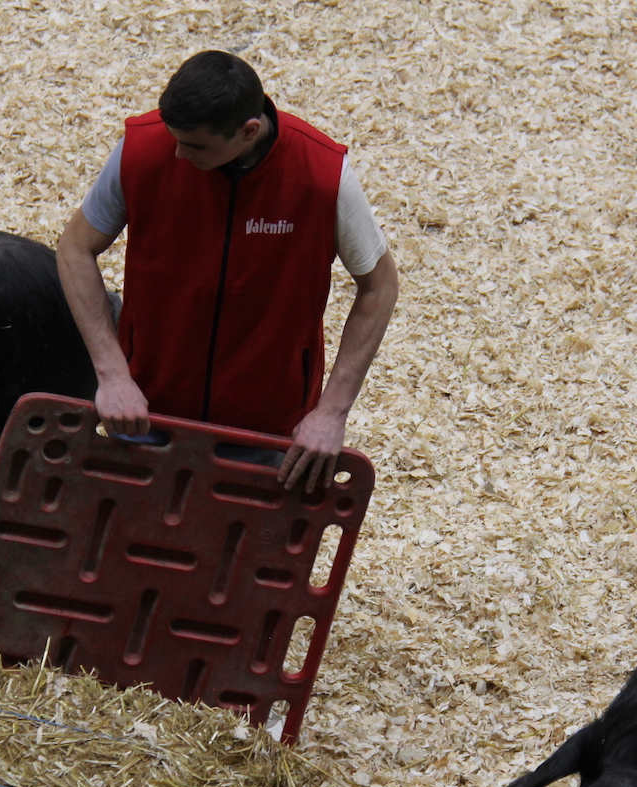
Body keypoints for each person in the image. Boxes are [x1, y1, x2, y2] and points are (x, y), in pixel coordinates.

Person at [57, 50, 398, 491]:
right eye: (173, 136)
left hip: (267, 428)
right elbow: (74, 249)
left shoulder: (322, 176)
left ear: (248, 130)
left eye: (195, 145)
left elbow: (380, 285)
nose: (177, 153)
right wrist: (111, 374)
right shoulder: (142, 150)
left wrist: (332, 411)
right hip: (144, 409)